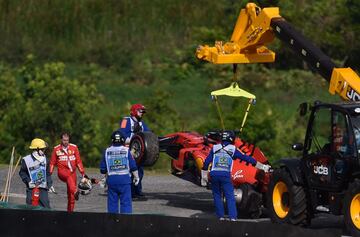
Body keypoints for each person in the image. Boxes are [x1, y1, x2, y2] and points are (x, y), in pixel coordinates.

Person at [201, 130, 271, 221]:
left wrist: (204, 177)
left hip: (214, 174)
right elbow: (247, 158)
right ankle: (233, 217)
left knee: (217, 196)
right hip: (225, 175)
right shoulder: (232, 149)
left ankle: (220, 217)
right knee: (229, 196)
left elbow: (206, 162)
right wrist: (262, 166)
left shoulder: (215, 147)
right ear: (231, 139)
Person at [100, 131, 139, 214]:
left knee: (112, 204)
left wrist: (103, 179)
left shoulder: (107, 151)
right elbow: (133, 166)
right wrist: (136, 177)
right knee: (126, 204)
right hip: (124, 181)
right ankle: (126, 223)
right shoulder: (126, 150)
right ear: (122, 140)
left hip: (112, 181)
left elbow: (103, 169)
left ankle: (113, 223)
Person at [50, 132, 86, 212]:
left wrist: (83, 173)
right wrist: (49, 174)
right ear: (61, 140)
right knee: (71, 184)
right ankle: (75, 191)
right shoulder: (56, 149)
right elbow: (52, 163)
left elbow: (78, 161)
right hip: (62, 172)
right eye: (64, 140)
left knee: (71, 195)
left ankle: (70, 212)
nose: (65, 142)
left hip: (72, 173)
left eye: (67, 140)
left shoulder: (74, 147)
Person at [119, 103, 149, 198]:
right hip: (127, 150)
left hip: (138, 152)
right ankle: (129, 192)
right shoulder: (126, 120)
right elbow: (121, 133)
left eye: (143, 112)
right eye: (140, 111)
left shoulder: (141, 123)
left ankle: (137, 191)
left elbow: (148, 134)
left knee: (139, 171)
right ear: (134, 111)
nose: (142, 114)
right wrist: (134, 138)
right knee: (129, 172)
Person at [19, 138, 53, 208]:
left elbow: (47, 173)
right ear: (37, 149)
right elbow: (22, 172)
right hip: (31, 189)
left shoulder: (46, 159)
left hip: (43, 189)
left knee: (46, 208)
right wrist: (28, 181)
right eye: (43, 149)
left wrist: (50, 184)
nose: (44, 151)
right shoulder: (26, 160)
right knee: (31, 208)